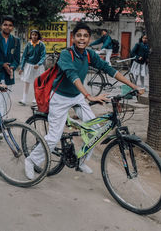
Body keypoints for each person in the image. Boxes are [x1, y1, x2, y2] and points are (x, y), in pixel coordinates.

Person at [25, 23, 144, 178]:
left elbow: (109, 69)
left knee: (96, 131)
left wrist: (132, 85)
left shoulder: (89, 54)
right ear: (73, 38)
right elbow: (72, 75)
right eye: (79, 35)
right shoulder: (67, 54)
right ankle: (31, 160)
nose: (82, 39)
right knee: (53, 137)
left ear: (89, 39)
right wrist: (89, 96)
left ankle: (81, 161)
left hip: (77, 97)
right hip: (60, 97)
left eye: (85, 36)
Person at [18, 29, 46, 105]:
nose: (34, 36)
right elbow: (24, 57)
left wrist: (39, 63)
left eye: (35, 35)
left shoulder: (41, 45)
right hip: (29, 65)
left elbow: (43, 56)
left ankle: (36, 99)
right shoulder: (28, 44)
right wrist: (21, 68)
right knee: (26, 82)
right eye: (33, 35)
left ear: (38, 36)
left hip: (38, 66)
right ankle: (24, 99)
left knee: (37, 82)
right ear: (31, 36)